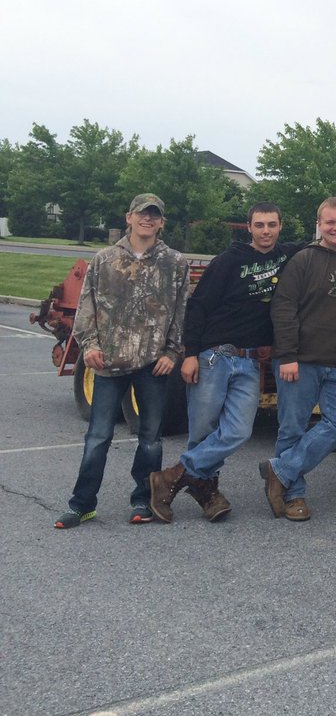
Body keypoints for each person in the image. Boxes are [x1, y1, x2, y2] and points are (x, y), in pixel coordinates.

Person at [148, 203, 336, 524]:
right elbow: (200, 306)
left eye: (272, 225)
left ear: (280, 227)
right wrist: (190, 354)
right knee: (205, 430)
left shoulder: (290, 255)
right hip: (216, 354)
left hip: (249, 359)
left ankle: (180, 475)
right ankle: (210, 492)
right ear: (250, 228)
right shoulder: (231, 262)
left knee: (240, 432)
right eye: (259, 225)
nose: (266, 231)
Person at [55, 194, 189, 528]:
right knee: (98, 436)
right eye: (142, 214)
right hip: (109, 363)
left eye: (154, 215)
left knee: (150, 438)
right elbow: (88, 307)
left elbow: (181, 313)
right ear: (128, 217)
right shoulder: (104, 259)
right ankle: (82, 504)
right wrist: (89, 345)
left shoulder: (175, 263)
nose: (148, 219)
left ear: (161, 222)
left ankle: (143, 499)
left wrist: (172, 353)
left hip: (153, 364)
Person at [260, 198, 336, 521]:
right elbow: (283, 309)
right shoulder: (302, 261)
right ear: (320, 224)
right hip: (300, 361)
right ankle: (294, 496)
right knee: (292, 429)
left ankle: (280, 471)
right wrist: (286, 356)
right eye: (330, 222)